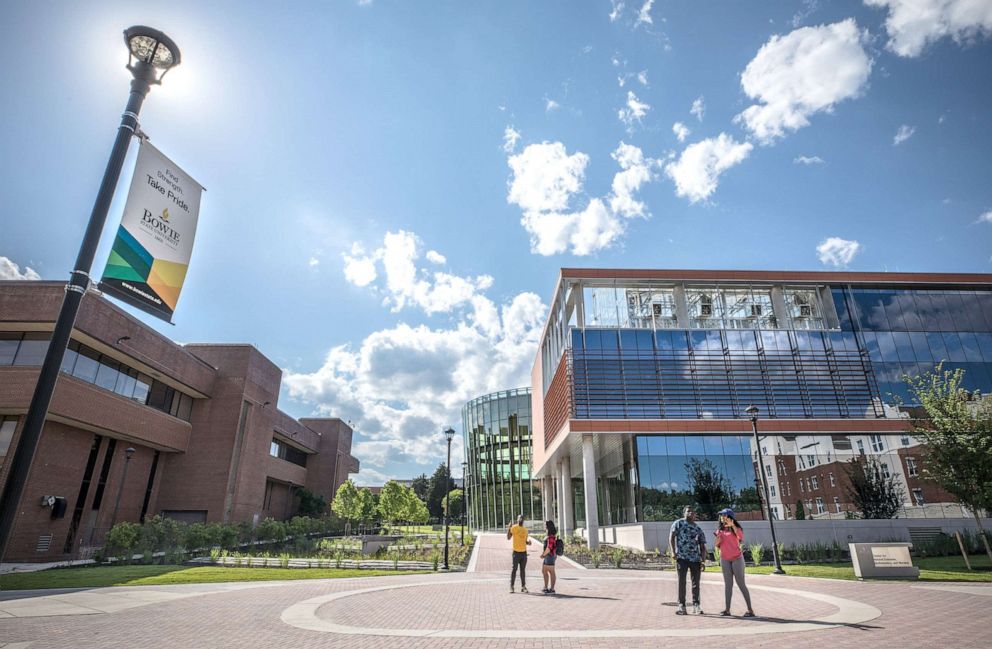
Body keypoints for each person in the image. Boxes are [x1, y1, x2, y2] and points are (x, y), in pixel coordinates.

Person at [713, 507, 755, 617]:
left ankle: (750, 610)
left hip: (737, 559)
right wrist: (718, 539)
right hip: (725, 559)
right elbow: (717, 545)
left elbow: (740, 537)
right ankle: (727, 610)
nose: (722, 517)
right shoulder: (720, 530)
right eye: (721, 515)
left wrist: (733, 526)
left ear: (730, 517)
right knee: (728, 585)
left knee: (741, 584)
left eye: (724, 515)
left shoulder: (736, 528)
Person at [669, 505, 707, 615]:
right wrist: (673, 551)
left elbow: (703, 546)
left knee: (696, 583)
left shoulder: (697, 528)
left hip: (695, 559)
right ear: (684, 513)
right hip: (682, 557)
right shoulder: (678, 524)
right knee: (682, 582)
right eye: (688, 511)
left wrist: (703, 561)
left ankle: (696, 605)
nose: (690, 513)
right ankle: (682, 606)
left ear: (695, 515)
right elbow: (671, 537)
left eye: (692, 511)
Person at [507, 514, 531, 593]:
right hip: (516, 553)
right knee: (514, 569)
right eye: (519, 517)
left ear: (523, 520)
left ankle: (523, 587)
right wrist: (508, 528)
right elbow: (508, 538)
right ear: (517, 519)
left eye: (522, 518)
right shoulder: (514, 528)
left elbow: (524, 541)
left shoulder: (525, 530)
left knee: (522, 570)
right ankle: (511, 587)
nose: (520, 519)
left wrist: (528, 543)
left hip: (524, 553)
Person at [540, 520, 559, 594]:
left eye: (545, 525)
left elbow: (549, 547)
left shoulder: (551, 536)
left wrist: (543, 555)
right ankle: (546, 588)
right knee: (544, 571)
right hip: (550, 556)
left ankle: (551, 589)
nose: (545, 526)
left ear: (548, 526)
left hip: (549, 556)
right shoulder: (550, 535)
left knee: (551, 571)